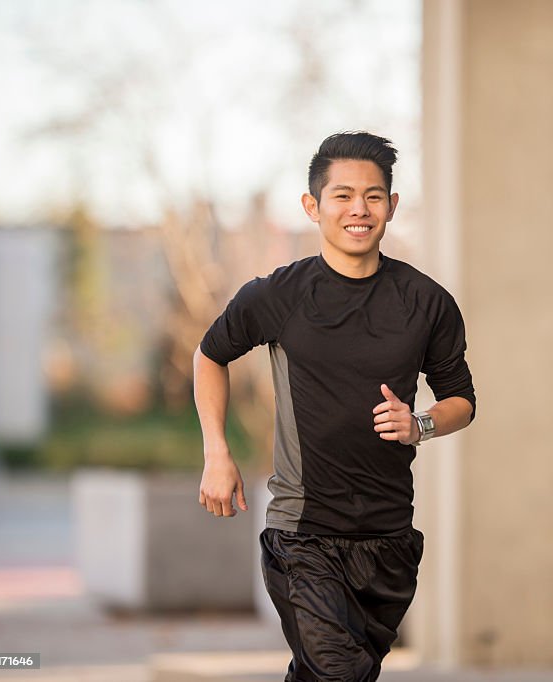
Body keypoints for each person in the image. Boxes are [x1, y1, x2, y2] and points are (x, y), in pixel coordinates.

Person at [192, 131, 476, 681]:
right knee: (340, 675)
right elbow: (209, 355)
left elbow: (461, 401)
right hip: (304, 535)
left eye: (373, 196)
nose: (358, 209)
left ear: (392, 207)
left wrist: (418, 424)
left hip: (389, 540)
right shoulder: (278, 296)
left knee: (328, 675)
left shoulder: (427, 302)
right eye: (342, 195)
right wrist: (217, 453)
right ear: (313, 206)